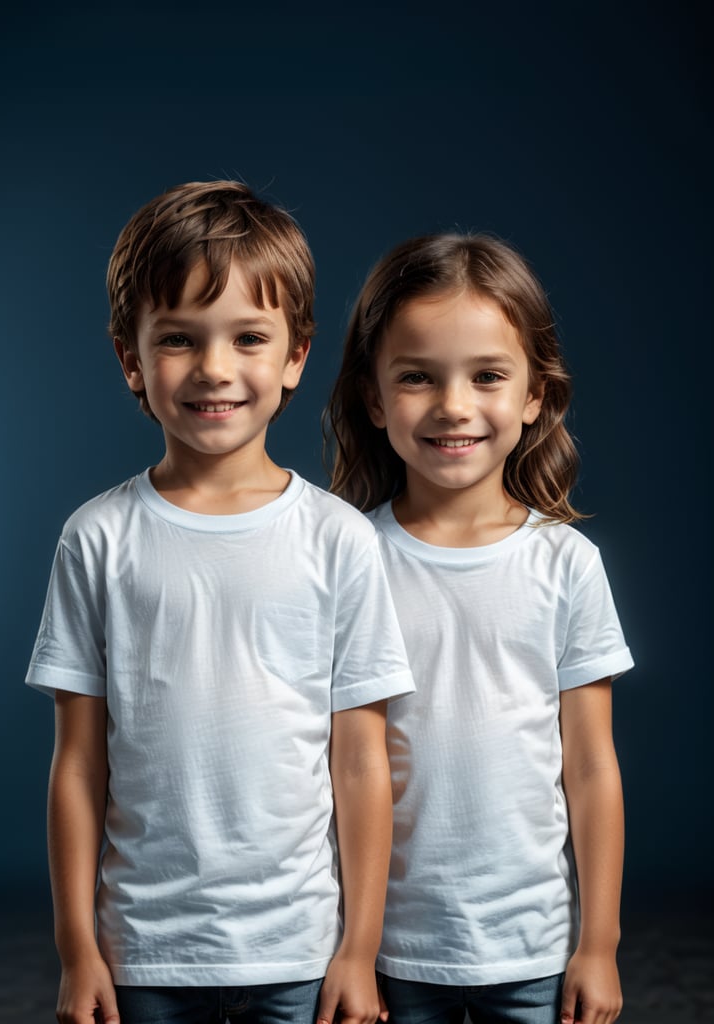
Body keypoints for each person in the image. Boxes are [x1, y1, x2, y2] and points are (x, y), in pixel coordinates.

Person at [26, 180, 414, 1024]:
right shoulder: (97, 538)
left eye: (248, 337)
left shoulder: (339, 540)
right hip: (143, 952)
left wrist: (357, 949)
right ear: (131, 358)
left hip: (300, 951)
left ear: (294, 357)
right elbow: (79, 764)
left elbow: (359, 761)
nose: (214, 369)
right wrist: (76, 951)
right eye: (177, 339)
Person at [326, 233, 633, 1024]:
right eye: (417, 378)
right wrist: (351, 950)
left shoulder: (565, 564)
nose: (453, 406)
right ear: (372, 396)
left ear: (533, 395)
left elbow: (591, 767)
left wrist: (596, 944)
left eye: (487, 376)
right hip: (385, 948)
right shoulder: (344, 556)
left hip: (532, 945)